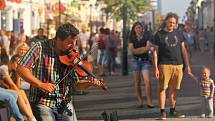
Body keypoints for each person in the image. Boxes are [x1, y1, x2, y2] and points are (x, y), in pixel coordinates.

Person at [16, 23, 107, 121]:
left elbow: (76, 84)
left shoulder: (72, 55)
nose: (73, 46)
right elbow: (21, 68)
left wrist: (89, 83)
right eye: (69, 43)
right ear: (58, 39)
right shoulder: (40, 47)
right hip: (43, 102)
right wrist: (40, 84)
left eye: (75, 42)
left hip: (65, 103)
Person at [152, 12, 193, 120]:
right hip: (164, 64)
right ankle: (162, 112)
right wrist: (155, 67)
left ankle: (173, 110)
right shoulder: (158, 34)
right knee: (162, 88)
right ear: (166, 21)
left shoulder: (179, 33)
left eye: (174, 23)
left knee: (174, 89)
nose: (172, 24)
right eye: (170, 22)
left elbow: (184, 50)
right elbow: (155, 52)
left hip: (178, 65)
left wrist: (187, 65)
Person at [0, 54, 37, 121]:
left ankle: (31, 116)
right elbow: (12, 85)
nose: (18, 65)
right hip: (2, 90)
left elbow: (18, 86)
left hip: (6, 90)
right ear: (11, 62)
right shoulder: (3, 68)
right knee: (18, 92)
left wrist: (18, 75)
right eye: (17, 63)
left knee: (21, 91)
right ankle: (28, 117)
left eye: (19, 64)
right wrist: (21, 96)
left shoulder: (14, 71)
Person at [128, 22, 154, 108]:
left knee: (147, 81)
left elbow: (147, 48)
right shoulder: (132, 37)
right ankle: (140, 101)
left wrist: (138, 50)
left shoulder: (146, 36)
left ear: (142, 29)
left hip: (145, 61)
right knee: (137, 82)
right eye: (137, 28)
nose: (139, 29)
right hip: (135, 61)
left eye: (140, 28)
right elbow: (132, 50)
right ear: (134, 29)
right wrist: (142, 49)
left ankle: (149, 101)